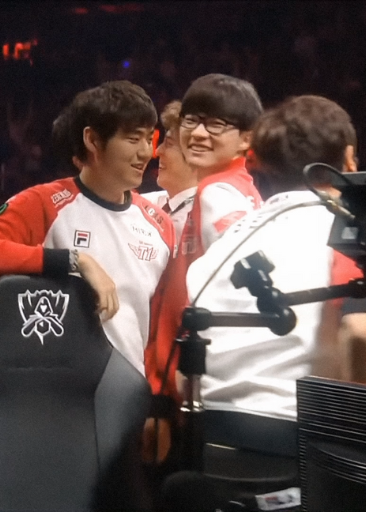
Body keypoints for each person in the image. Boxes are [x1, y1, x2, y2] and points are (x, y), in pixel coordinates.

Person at [162, 96, 366, 510]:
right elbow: (363, 333)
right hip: (296, 451)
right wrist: (358, 438)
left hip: (208, 446)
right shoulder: (351, 234)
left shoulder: (226, 244)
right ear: (348, 159)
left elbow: (182, 367)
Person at [0, 81, 174, 377]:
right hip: (54, 389)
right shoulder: (45, 203)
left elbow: (161, 328)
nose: (146, 152)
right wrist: (75, 260)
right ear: (93, 140)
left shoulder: (160, 224)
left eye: (149, 139)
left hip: (129, 391)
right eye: (133, 139)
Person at [144, 73, 264, 464]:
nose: (197, 134)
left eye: (215, 125)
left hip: (191, 393)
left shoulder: (219, 193)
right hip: (188, 389)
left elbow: (241, 284)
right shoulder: (233, 188)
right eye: (192, 121)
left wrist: (171, 395)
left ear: (246, 139)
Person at [142, 101, 197, 251]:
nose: (158, 151)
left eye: (169, 144)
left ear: (194, 156)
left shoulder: (203, 218)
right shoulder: (143, 203)